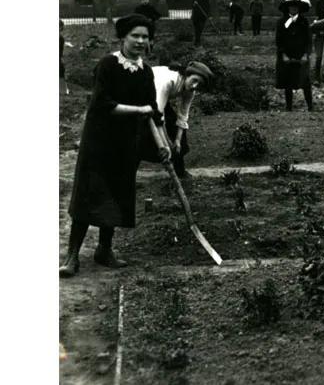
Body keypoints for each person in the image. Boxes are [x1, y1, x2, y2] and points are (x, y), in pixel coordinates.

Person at [60, 14, 169, 277]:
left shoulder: (145, 71)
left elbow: (153, 111)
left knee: (116, 194)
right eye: (135, 36)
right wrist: (138, 110)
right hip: (99, 141)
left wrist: (164, 145)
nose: (141, 41)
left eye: (145, 37)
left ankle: (104, 250)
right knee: (89, 194)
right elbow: (101, 105)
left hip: (125, 143)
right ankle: (72, 255)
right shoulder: (107, 65)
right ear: (123, 37)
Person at [140, 61, 214, 178]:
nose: (195, 86)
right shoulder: (169, 81)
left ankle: (180, 171)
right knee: (143, 135)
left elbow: (183, 116)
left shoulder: (190, 90)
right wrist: (166, 144)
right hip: (139, 95)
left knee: (176, 130)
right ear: (187, 75)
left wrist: (177, 140)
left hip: (156, 101)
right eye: (194, 80)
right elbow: (158, 117)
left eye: (199, 84)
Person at [275, 0, 314, 111]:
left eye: (296, 7)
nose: (293, 9)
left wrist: (306, 54)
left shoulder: (304, 21)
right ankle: (289, 107)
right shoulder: (281, 22)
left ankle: (310, 106)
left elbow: (308, 39)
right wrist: (284, 55)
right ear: (287, 8)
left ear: (299, 9)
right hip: (286, 55)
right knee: (288, 82)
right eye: (291, 7)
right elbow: (279, 40)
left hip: (301, 55)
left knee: (305, 81)